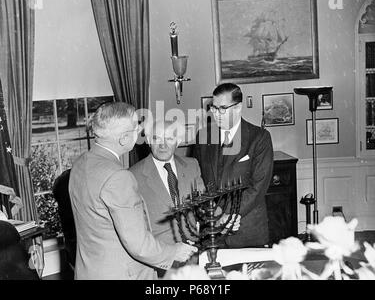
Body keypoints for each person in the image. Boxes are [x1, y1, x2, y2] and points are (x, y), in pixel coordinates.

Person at [68, 102, 196, 280]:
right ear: (123, 138)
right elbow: (139, 245)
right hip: (122, 274)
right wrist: (173, 252)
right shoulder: (119, 177)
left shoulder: (80, 164)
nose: (140, 132)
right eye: (136, 127)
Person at [130, 120, 240, 245]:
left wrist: (222, 219)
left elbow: (204, 202)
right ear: (149, 140)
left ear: (178, 142)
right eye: (157, 139)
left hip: (193, 247)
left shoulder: (191, 165)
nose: (163, 145)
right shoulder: (133, 175)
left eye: (169, 139)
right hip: (160, 253)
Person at [193, 83, 274, 248]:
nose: (217, 114)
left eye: (222, 108)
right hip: (212, 230)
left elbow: (258, 187)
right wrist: (217, 216)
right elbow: (198, 180)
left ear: (238, 108)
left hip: (247, 232)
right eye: (213, 108)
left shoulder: (259, 138)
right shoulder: (203, 136)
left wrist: (228, 215)